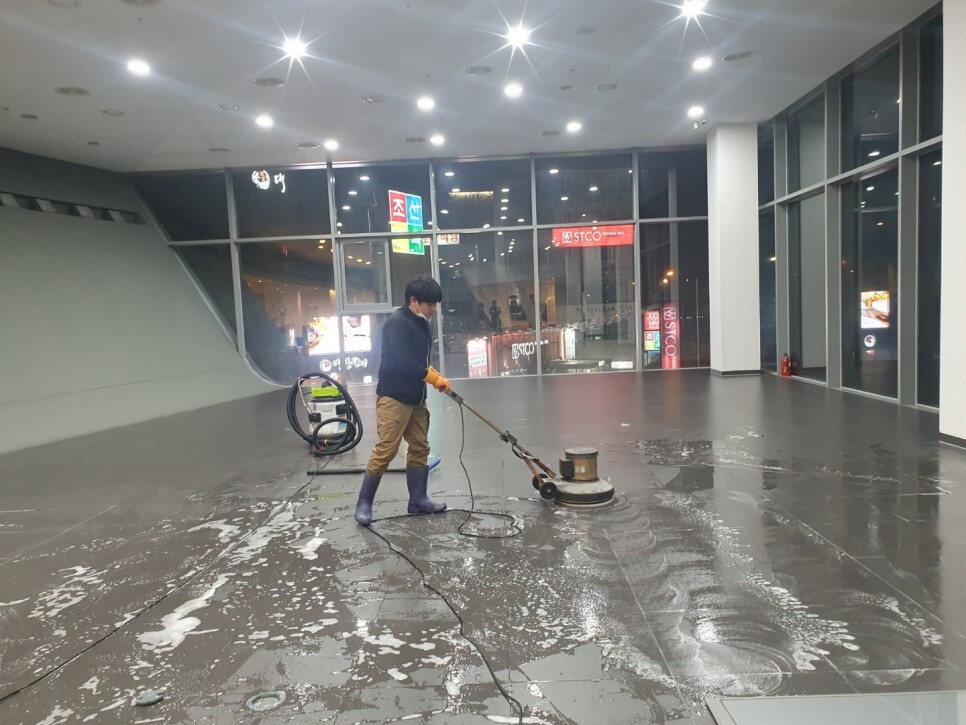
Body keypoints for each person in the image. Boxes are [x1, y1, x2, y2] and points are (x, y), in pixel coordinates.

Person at [354, 278, 451, 526]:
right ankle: (364, 504)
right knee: (386, 449)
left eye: (435, 304)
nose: (433, 309)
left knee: (420, 446)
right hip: (394, 397)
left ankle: (418, 500)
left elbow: (419, 362)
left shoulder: (422, 323)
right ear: (413, 301)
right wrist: (433, 378)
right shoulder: (396, 323)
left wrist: (434, 375)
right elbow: (406, 364)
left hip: (416, 398)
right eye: (429, 304)